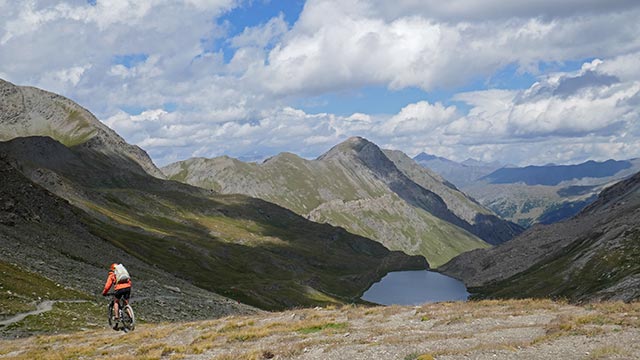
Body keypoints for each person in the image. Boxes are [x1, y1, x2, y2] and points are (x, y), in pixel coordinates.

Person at [102, 263, 132, 329]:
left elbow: (107, 286)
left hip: (119, 289)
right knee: (126, 303)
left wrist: (104, 293)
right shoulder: (123, 272)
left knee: (116, 301)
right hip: (128, 288)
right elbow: (129, 280)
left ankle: (116, 317)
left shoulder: (112, 274)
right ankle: (131, 318)